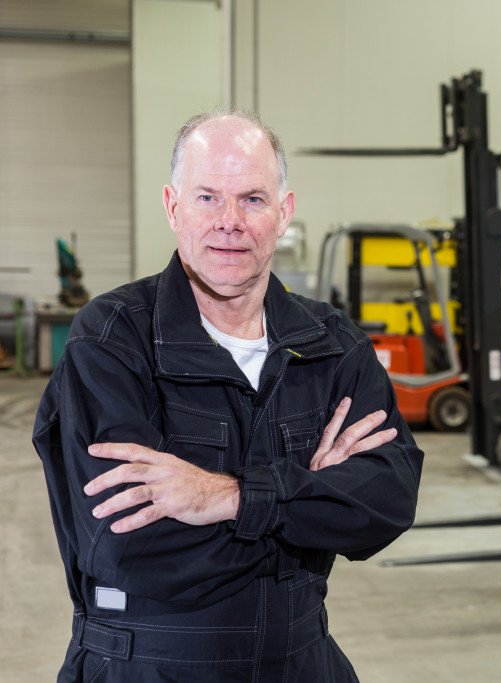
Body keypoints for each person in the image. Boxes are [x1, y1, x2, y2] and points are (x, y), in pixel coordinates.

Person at [33, 110, 423, 682]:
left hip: (302, 662)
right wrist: (313, 505)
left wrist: (228, 497)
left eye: (254, 199)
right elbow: (130, 553)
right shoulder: (112, 339)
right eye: (208, 197)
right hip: (147, 666)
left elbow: (388, 502)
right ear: (173, 207)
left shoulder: (332, 346)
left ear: (284, 213)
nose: (230, 222)